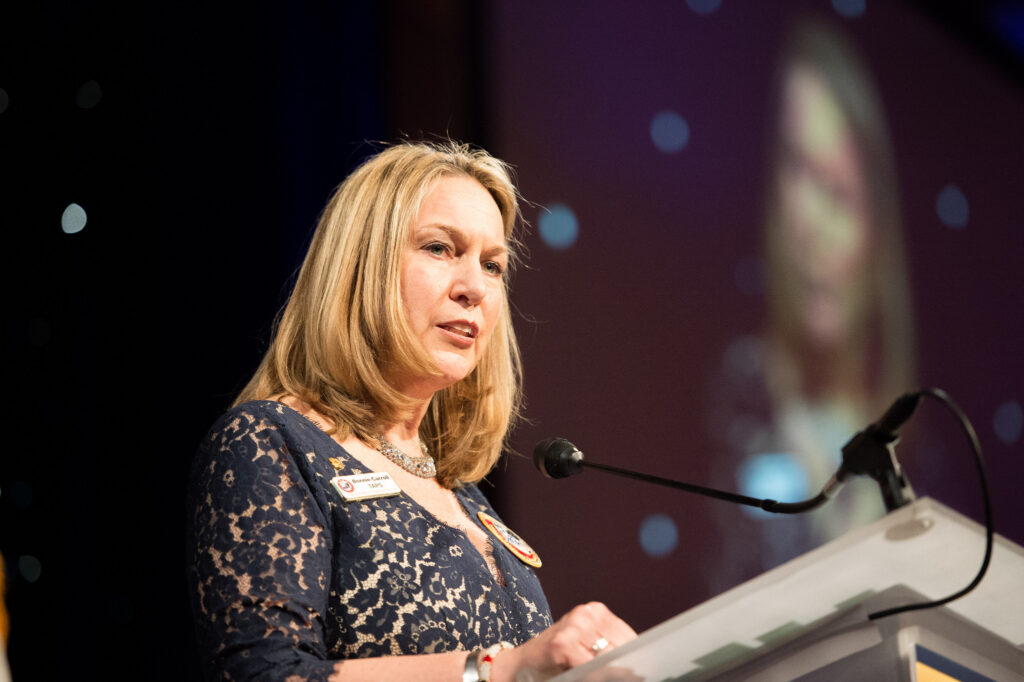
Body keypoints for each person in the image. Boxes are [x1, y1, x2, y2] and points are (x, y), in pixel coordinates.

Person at [187, 140, 636, 681]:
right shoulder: (269, 443)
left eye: (493, 265)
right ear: (360, 266)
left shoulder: (460, 494)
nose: (474, 288)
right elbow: (264, 674)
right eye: (440, 248)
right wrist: (496, 670)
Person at [707, 18, 916, 588]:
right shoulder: (735, 398)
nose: (809, 224)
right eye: (795, 168)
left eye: (838, 192)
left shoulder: (925, 444)